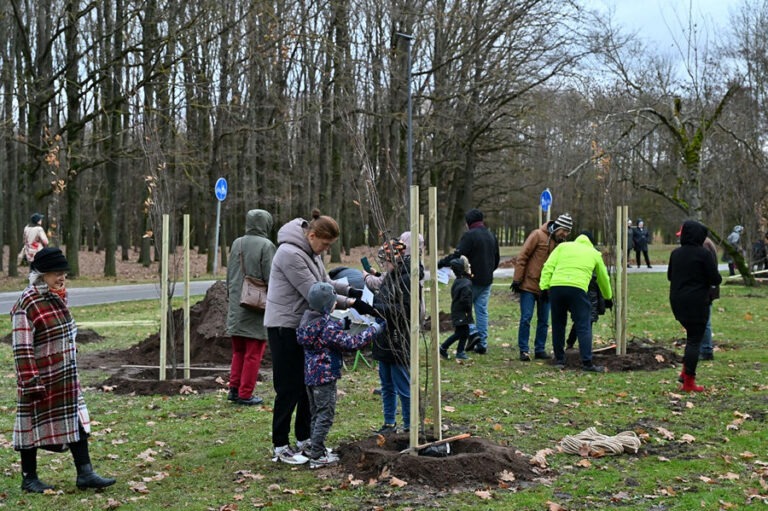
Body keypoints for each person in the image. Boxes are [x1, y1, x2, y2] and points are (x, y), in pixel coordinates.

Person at [264, 209, 374, 465]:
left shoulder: (310, 252)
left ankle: (304, 438)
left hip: (303, 325)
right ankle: (280, 445)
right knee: (288, 388)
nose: (325, 250)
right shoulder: (290, 254)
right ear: (312, 235)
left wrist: (352, 290)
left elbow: (324, 281)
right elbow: (313, 292)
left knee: (306, 386)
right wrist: (351, 303)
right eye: (324, 244)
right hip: (285, 327)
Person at [11, 247, 116, 493]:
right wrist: (31, 383)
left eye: (64, 273)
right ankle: (29, 478)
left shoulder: (56, 297)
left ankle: (85, 473)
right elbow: (21, 348)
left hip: (65, 376)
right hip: (40, 379)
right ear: (41, 274)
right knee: (30, 428)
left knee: (76, 421)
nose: (61, 278)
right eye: (56, 273)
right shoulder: (27, 303)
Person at [296, 282, 385, 468]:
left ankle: (314, 446)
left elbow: (324, 331)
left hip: (311, 377)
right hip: (325, 376)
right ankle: (317, 455)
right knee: (325, 415)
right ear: (328, 306)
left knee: (316, 413)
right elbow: (351, 342)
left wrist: (340, 324)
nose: (336, 304)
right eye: (334, 302)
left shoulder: (307, 321)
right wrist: (374, 330)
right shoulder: (327, 327)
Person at [539, 232, 613, 372]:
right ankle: (587, 363)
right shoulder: (594, 253)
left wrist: (544, 287)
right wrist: (608, 296)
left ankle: (560, 360)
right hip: (577, 289)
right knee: (583, 324)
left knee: (558, 323)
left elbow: (548, 266)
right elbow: (603, 278)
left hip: (557, 287)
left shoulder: (562, 247)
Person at [226, 209, 276, 406]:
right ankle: (246, 394)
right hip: (256, 305)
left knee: (238, 351)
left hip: (236, 304)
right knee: (254, 352)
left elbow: (230, 273)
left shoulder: (237, 242)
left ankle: (234, 388)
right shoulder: (266, 245)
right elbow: (271, 277)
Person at [371, 239, 420, 434]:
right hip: (384, 338)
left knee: (402, 385)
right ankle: (389, 423)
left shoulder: (407, 280)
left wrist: (377, 309)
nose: (384, 265)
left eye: (386, 261)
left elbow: (405, 310)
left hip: (399, 338)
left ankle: (409, 426)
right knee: (387, 384)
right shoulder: (391, 277)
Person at [668, 220, 722, 392]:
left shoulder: (675, 254)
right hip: (697, 302)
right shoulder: (703, 254)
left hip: (677, 301)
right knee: (694, 341)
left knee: (692, 337)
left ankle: (684, 374)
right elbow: (715, 279)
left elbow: (670, 276)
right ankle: (689, 382)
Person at [437, 209, 500, 354]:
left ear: (468, 223)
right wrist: (489, 271)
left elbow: (458, 255)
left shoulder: (469, 236)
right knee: (482, 311)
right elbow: (496, 259)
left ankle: (473, 333)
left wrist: (441, 263)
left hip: (470, 279)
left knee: (463, 308)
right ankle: (482, 343)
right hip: (486, 279)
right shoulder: (491, 235)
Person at [511, 213, 572, 361]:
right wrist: (517, 279)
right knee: (526, 318)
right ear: (557, 227)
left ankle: (540, 349)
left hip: (547, 288)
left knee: (544, 320)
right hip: (529, 285)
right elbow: (523, 256)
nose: (565, 234)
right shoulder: (537, 235)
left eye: (567, 232)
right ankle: (524, 350)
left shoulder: (562, 244)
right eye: (563, 230)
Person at [676, 224, 720, 361]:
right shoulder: (700, 245)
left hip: (704, 291)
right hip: (701, 291)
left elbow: (711, 273)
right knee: (700, 321)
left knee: (704, 321)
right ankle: (700, 348)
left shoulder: (703, 246)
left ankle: (706, 349)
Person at [566, 231, 606, 349]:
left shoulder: (575, 253)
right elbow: (601, 277)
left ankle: (577, 344)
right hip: (587, 291)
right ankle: (579, 345)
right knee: (586, 321)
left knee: (584, 320)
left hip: (586, 292)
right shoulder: (594, 253)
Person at [439, 256, 474, 361]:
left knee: (465, 332)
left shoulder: (458, 281)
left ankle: (460, 351)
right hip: (462, 312)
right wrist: (468, 309)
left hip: (457, 311)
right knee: (460, 333)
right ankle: (444, 347)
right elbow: (465, 299)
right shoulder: (466, 283)